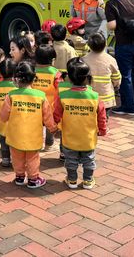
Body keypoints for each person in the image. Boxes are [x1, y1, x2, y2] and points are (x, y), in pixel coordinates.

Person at [0, 61, 57, 189]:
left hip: (15, 135)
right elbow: (47, 116)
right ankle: (33, 179)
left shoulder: (11, 95)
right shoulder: (40, 96)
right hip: (33, 135)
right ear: (33, 78)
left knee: (17, 157)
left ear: (16, 78)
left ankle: (19, 177)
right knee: (32, 158)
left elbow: (3, 116)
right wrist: (52, 128)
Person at [53, 58, 107, 190]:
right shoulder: (95, 96)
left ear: (70, 79)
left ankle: (72, 180)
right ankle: (88, 181)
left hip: (69, 137)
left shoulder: (63, 95)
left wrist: (54, 127)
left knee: (71, 160)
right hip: (88, 137)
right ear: (87, 77)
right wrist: (103, 130)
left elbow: (56, 115)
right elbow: (102, 117)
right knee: (89, 160)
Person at [82, 33, 122, 114]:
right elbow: (117, 78)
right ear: (105, 44)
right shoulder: (111, 60)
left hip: (88, 97)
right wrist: (115, 86)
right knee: (103, 120)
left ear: (89, 45)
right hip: (106, 99)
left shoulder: (83, 59)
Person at [33, 44, 61, 150]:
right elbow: (60, 90)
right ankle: (49, 144)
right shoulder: (55, 73)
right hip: (51, 107)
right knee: (50, 126)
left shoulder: (32, 71)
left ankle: (37, 143)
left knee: (36, 126)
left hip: (35, 105)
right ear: (52, 60)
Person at [0, 59, 17, 168]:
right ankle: (16, 161)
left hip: (1, 121)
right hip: (15, 122)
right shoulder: (17, 88)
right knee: (14, 143)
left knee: (3, 142)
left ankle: (5, 160)